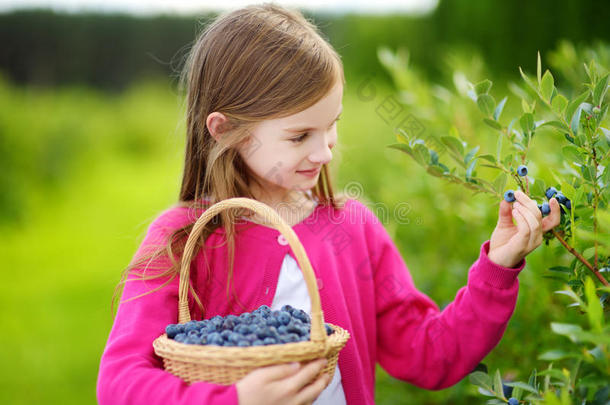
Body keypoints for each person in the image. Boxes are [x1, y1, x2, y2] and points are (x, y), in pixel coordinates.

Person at [95, 3, 562, 405]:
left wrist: (499, 265)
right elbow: (120, 383)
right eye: (300, 136)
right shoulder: (181, 239)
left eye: (331, 125)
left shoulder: (353, 228)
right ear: (225, 131)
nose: (324, 152)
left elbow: (431, 354)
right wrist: (235, 399)